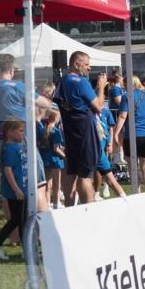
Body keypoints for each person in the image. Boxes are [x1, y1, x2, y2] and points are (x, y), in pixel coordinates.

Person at [53, 52, 103, 205]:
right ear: (76, 64)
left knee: (72, 171)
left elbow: (58, 101)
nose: (89, 68)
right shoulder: (81, 82)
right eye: (87, 64)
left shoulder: (62, 81)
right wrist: (100, 88)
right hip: (85, 130)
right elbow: (99, 106)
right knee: (85, 174)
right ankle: (88, 208)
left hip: (70, 130)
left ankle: (69, 207)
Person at [0, 52, 51, 157]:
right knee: (33, 171)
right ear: (11, 70)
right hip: (19, 142)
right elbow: (45, 104)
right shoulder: (17, 86)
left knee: (6, 172)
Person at [0, 120, 31, 260]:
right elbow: (7, 171)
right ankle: (25, 252)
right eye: (20, 131)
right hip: (16, 192)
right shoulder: (10, 149)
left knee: (19, 220)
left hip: (22, 189)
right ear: (11, 132)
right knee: (20, 220)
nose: (23, 133)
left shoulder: (19, 146)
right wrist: (17, 190)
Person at [39, 108, 65, 208]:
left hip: (45, 159)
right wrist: (64, 155)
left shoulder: (42, 130)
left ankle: (47, 203)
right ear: (56, 118)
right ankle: (56, 203)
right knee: (57, 184)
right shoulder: (56, 131)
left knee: (47, 183)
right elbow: (56, 149)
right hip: (55, 161)